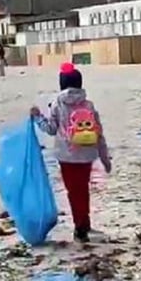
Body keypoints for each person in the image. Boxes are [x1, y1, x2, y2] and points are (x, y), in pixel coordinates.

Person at [30, 63, 111, 243]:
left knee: (73, 191)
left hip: (66, 156)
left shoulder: (57, 104)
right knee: (83, 189)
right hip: (87, 154)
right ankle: (85, 222)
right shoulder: (88, 104)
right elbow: (99, 132)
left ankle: (80, 227)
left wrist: (37, 117)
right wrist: (105, 158)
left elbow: (50, 129)